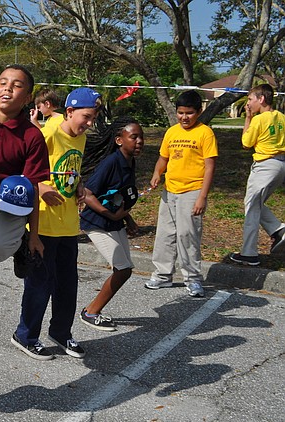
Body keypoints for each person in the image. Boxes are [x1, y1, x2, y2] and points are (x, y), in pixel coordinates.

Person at [11, 87, 101, 361]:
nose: (89, 123)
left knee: (67, 284)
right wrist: (39, 188)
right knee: (39, 284)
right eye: (85, 117)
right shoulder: (46, 133)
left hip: (68, 224)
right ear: (70, 111)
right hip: (42, 225)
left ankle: (61, 332)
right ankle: (25, 335)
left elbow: (72, 170)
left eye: (93, 118)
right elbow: (21, 174)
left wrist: (79, 187)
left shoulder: (81, 138)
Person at [0, 64, 50, 283]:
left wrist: (33, 236)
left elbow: (32, 187)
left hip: (8, 198)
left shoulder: (32, 135)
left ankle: (19, 243)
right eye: (2, 83)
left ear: (28, 97)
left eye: (16, 85)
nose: (7, 89)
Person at [145, 90, 217, 297]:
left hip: (192, 191)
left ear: (199, 111)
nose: (184, 117)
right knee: (165, 234)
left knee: (188, 235)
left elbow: (210, 167)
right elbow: (163, 159)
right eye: (180, 113)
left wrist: (202, 196)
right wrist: (157, 173)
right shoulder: (171, 132)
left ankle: (193, 278)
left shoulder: (205, 133)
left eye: (189, 113)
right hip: (170, 191)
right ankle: (162, 275)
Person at [79, 117, 145, 331]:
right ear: (119, 140)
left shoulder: (130, 162)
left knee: (125, 269)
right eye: (133, 137)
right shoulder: (111, 162)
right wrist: (111, 215)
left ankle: (91, 311)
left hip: (112, 222)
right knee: (123, 269)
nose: (139, 141)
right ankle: (90, 312)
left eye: (141, 137)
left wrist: (128, 218)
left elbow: (119, 195)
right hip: (96, 222)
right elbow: (87, 194)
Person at [229, 83, 285, 266]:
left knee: (251, 207)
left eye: (251, 99)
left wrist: (248, 118)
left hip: (264, 166)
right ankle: (278, 231)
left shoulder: (259, 120)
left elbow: (246, 142)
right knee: (256, 203)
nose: (249, 104)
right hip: (280, 165)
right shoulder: (282, 118)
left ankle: (249, 253)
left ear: (261, 99)